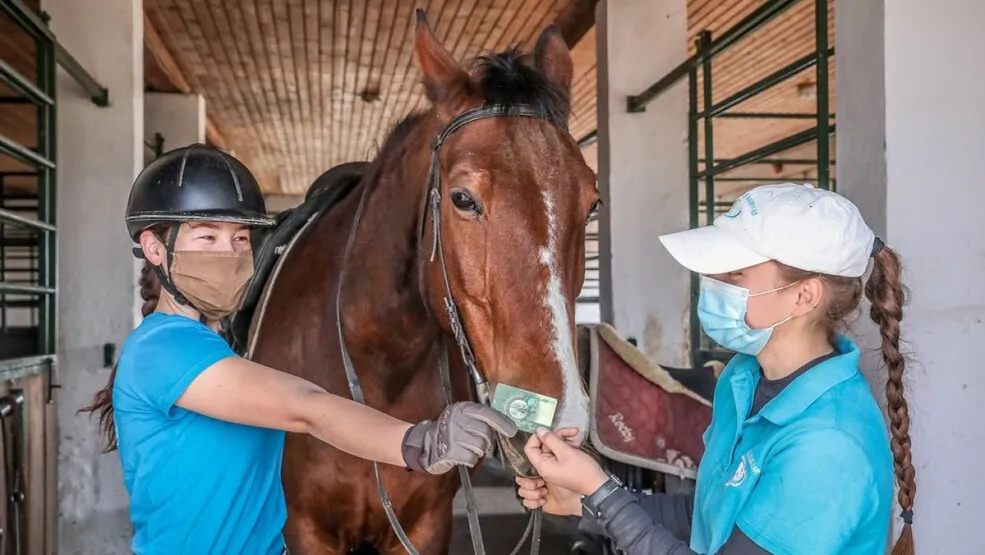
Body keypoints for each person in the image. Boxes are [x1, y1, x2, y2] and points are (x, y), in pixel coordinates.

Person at [80, 144, 517, 555]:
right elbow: (305, 407)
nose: (229, 253)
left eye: (239, 239)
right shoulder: (162, 348)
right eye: (206, 237)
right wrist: (420, 440)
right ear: (156, 248)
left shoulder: (219, 346)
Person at [516, 183, 916, 555]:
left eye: (735, 272)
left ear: (804, 295)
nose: (710, 281)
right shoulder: (742, 380)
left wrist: (601, 490)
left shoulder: (829, 445)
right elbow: (706, 517)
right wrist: (582, 502)